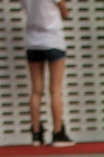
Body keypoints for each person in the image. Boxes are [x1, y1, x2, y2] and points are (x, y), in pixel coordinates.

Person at [22, 0, 74, 146]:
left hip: (33, 41)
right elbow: (65, 12)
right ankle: (58, 133)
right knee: (55, 90)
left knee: (36, 90)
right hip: (52, 40)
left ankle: (36, 133)